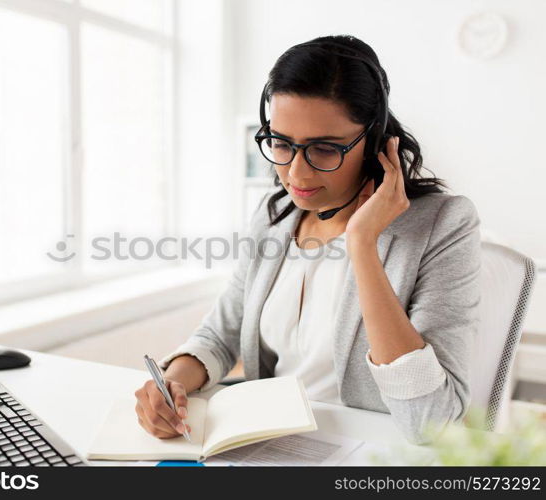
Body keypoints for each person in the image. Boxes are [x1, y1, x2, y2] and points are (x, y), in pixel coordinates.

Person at [133, 34, 481, 445]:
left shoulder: (443, 224)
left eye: (325, 149)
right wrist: (172, 382)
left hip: (373, 455)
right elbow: (221, 333)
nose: (296, 174)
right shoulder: (274, 215)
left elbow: (431, 422)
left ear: (372, 142)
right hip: (268, 444)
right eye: (281, 143)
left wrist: (362, 245)